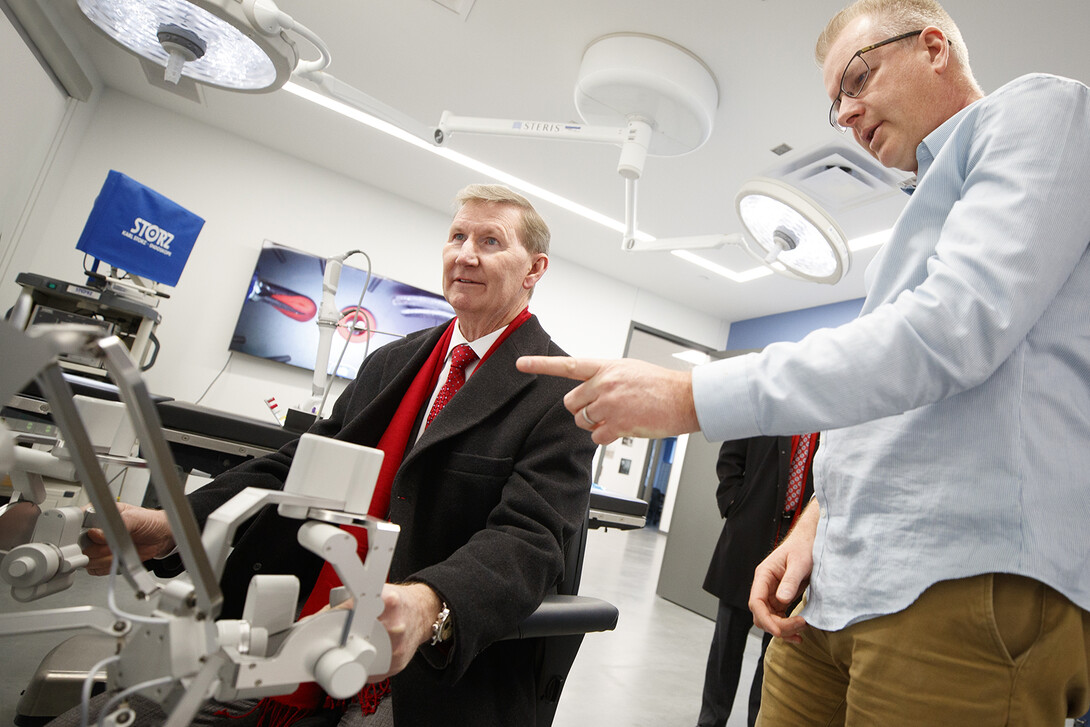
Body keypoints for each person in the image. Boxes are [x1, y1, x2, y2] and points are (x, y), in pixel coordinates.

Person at [517, 0, 1090, 722]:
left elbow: (947, 335)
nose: (845, 114)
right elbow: (895, 397)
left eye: (856, 80)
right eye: (833, 105)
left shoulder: (1042, 113)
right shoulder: (921, 214)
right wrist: (814, 524)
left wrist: (693, 394)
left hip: (961, 580)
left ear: (934, 46)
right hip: (837, 586)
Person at [73, 184, 596, 727]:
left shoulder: (560, 394)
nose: (465, 254)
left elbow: (529, 539)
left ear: (533, 269)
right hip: (305, 618)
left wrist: (428, 603)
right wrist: (174, 523)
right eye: (457, 236)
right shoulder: (393, 362)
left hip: (420, 670)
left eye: (490, 241)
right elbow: (297, 465)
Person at [697, 434, 816, 727]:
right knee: (726, 649)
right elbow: (730, 458)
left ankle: (759, 721)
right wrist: (734, 504)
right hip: (747, 541)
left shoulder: (828, 420)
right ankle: (710, 721)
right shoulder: (770, 403)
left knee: (774, 656)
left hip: (795, 556)